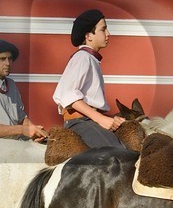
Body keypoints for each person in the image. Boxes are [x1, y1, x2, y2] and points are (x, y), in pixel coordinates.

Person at [52, 9, 127, 149]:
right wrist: (101, 119)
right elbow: (69, 95)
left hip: (88, 121)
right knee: (118, 153)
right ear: (89, 36)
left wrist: (110, 119)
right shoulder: (83, 58)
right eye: (103, 29)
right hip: (80, 123)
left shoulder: (89, 59)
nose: (108, 34)